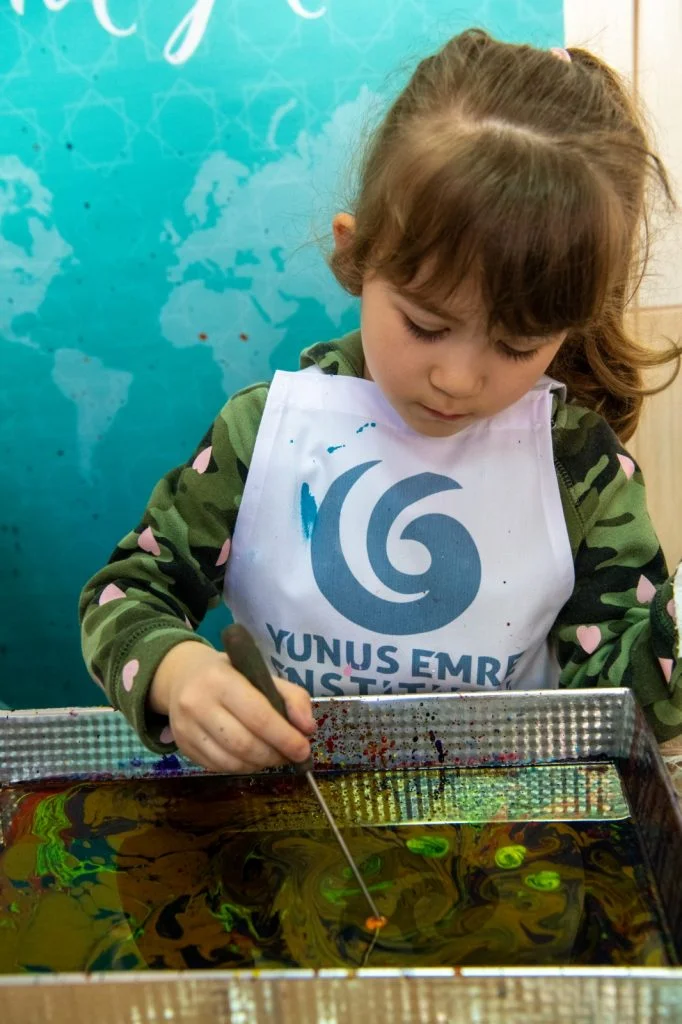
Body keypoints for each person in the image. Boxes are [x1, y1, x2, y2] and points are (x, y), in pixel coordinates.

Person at [80, 29, 681, 774]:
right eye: (426, 325)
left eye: (516, 346)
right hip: (290, 815)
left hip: (506, 829)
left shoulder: (581, 471)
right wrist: (179, 674)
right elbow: (124, 595)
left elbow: (626, 710)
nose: (458, 379)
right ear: (356, 253)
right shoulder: (263, 435)